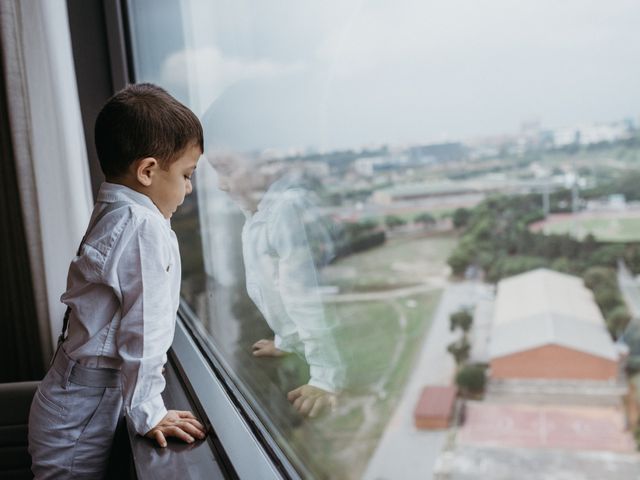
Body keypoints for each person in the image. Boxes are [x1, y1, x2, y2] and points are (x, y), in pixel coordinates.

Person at [28, 83, 206, 479]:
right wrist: (149, 411)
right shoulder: (144, 227)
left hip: (71, 397)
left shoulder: (114, 207)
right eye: (186, 174)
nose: (189, 188)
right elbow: (144, 330)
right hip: (82, 409)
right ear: (147, 171)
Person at [209, 152, 346, 418]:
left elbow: (303, 296)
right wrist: (286, 341)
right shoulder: (258, 211)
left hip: (327, 345)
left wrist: (324, 377)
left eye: (226, 170)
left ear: (265, 164)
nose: (220, 185)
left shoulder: (285, 210)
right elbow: (274, 285)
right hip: (299, 340)